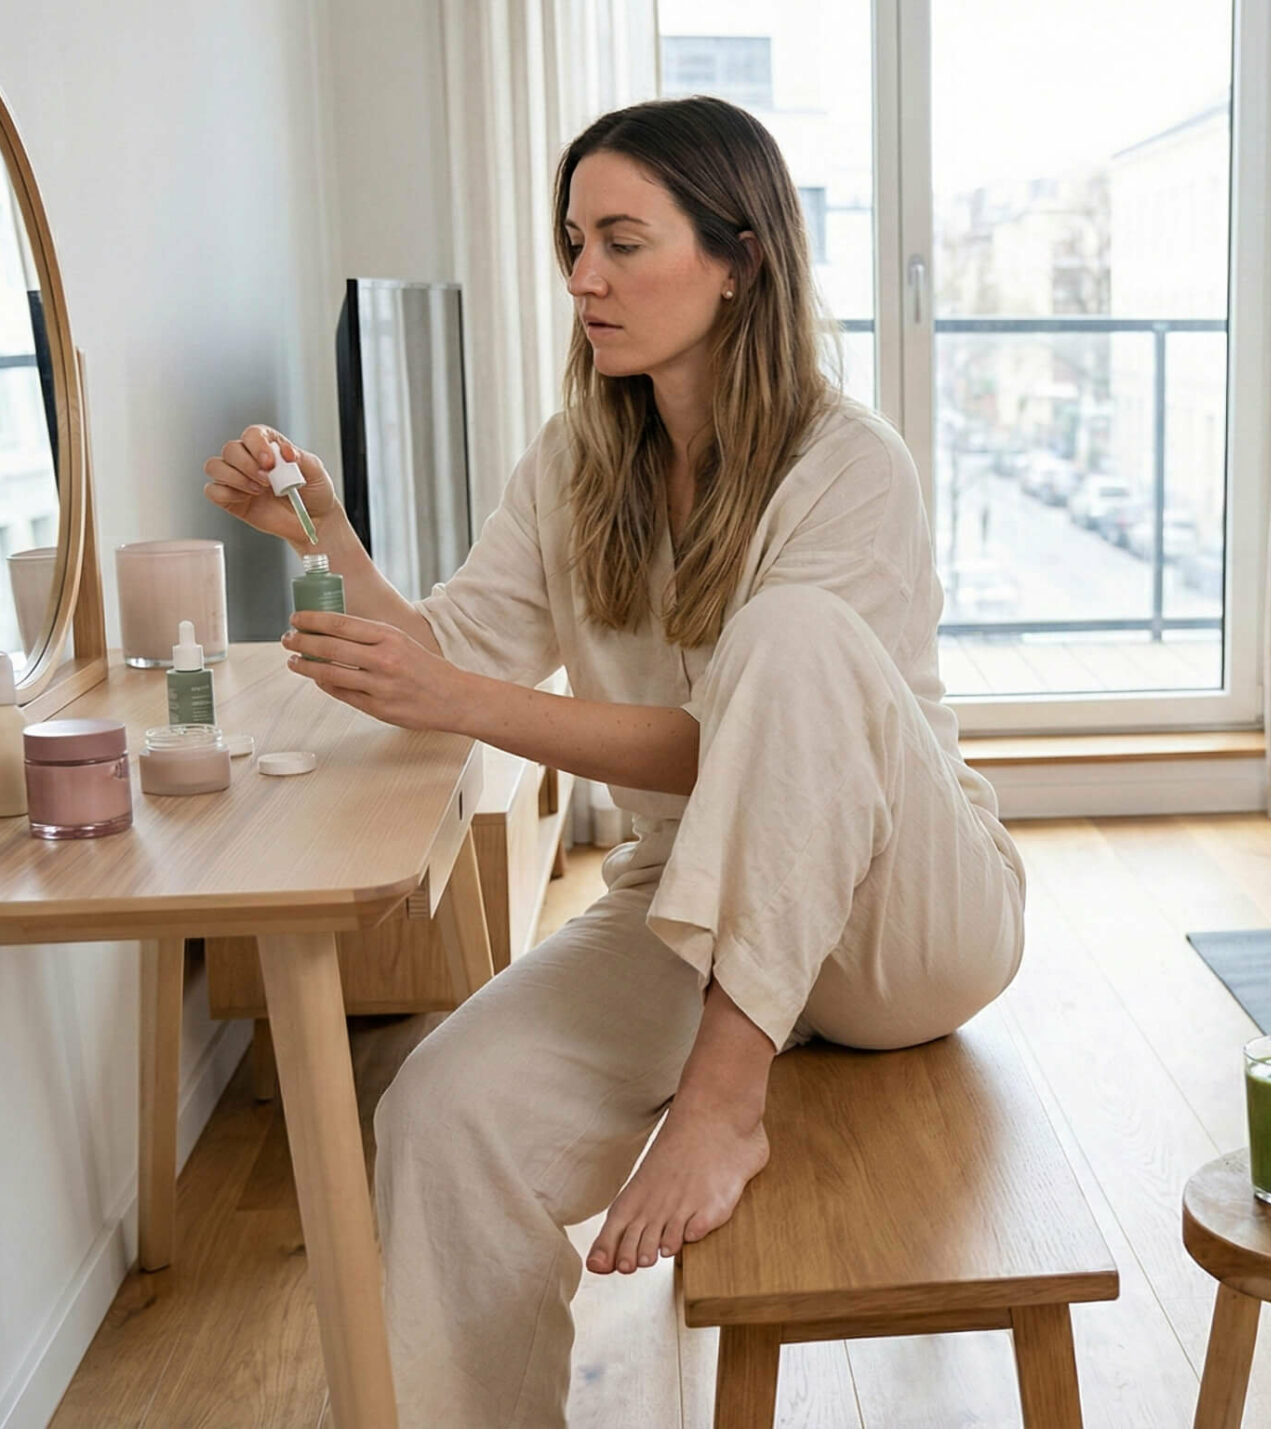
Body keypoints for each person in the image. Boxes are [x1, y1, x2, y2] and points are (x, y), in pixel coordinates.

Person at [200, 95, 1024, 1427]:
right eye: (574, 240)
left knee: (793, 636)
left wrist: (458, 695)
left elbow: (730, 744)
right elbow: (447, 652)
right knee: (440, 1113)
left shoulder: (847, 464)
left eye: (625, 241)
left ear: (739, 258)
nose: (584, 276)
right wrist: (326, 535)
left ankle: (723, 1098)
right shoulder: (579, 457)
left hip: (900, 917)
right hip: (692, 899)